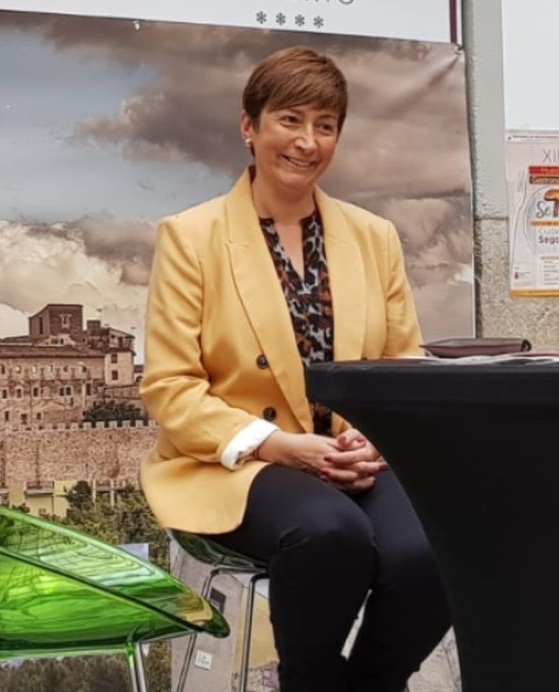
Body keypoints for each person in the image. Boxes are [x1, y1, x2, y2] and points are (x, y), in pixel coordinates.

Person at [139, 46, 450, 692]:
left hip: (356, 455)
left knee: (442, 547)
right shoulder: (190, 237)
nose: (308, 142)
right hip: (243, 461)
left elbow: (404, 365)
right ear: (249, 127)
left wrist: (378, 435)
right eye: (290, 120)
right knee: (329, 534)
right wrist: (284, 446)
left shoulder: (374, 237)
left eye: (326, 125)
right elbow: (171, 390)